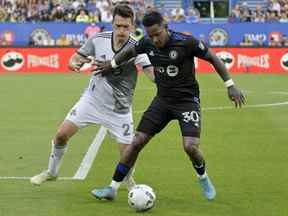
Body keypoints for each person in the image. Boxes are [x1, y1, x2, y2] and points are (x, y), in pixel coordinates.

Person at [91, 10, 246, 201]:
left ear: (166, 27)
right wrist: (112, 64)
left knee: (190, 147)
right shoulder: (146, 43)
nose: (155, 39)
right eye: (151, 35)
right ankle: (112, 189)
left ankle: (203, 178)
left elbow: (213, 58)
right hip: (162, 100)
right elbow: (131, 51)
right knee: (137, 141)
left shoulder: (186, 42)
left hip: (187, 101)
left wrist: (230, 86)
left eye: (158, 34)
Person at [30, 5, 154, 191]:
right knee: (61, 134)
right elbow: (74, 58)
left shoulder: (136, 48)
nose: (121, 31)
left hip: (119, 110)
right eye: (118, 26)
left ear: (132, 26)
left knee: (127, 153)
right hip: (92, 101)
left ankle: (129, 182)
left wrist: (165, 74)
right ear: (112, 23)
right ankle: (51, 172)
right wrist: (75, 64)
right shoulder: (98, 40)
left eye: (126, 27)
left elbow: (152, 75)